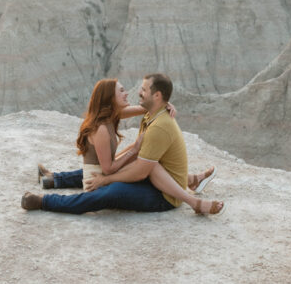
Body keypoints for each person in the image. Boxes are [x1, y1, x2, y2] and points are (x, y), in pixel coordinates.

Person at [21, 74, 224, 215]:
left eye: (143, 90)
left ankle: (47, 193)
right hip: (153, 181)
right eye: (122, 91)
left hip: (164, 196)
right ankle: (51, 187)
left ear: (156, 96)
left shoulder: (154, 122)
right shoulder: (130, 118)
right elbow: (120, 167)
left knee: (113, 187)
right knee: (118, 168)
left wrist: (163, 105)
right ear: (111, 100)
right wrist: (132, 152)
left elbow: (139, 169)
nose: (133, 93)